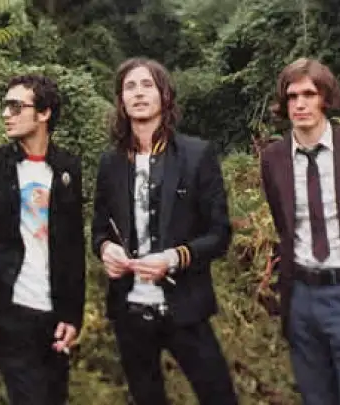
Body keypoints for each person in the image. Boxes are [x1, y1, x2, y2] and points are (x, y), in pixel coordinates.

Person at [90, 58, 238, 405]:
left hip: (185, 307)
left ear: (164, 95)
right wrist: (106, 249)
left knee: (219, 397)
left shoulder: (196, 155)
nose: (138, 93)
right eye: (130, 87)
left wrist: (173, 258)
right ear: (121, 100)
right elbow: (99, 229)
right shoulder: (111, 162)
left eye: (147, 85)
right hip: (130, 310)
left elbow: (219, 234)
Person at [260, 57, 340, 405]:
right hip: (301, 296)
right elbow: (283, 224)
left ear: (325, 98)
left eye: (309, 94)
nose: (300, 104)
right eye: (292, 96)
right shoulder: (273, 158)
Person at [0, 74, 85, 405]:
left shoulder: (67, 168)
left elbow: (73, 247)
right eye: (5, 106)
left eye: (17, 107)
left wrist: (73, 315)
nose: (7, 114)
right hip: (12, 309)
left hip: (54, 312)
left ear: (44, 113)